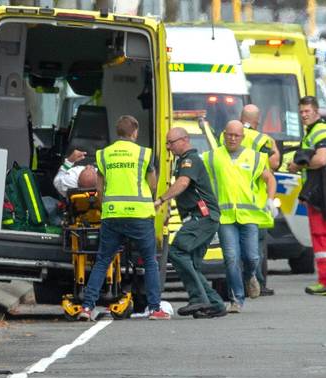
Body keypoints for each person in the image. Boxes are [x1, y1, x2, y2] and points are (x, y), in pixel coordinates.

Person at [78, 115, 170, 321]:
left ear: (117, 131)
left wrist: (106, 208)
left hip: (112, 214)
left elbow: (99, 188)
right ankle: (155, 309)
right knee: (149, 261)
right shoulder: (144, 154)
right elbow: (153, 184)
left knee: (102, 261)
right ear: (134, 132)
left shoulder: (104, 155)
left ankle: (86, 307)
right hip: (139, 214)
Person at [203, 120, 277, 313]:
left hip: (249, 215)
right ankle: (237, 299)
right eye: (229, 135)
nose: (232, 138)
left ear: (243, 137)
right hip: (225, 217)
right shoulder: (212, 157)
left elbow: (270, 179)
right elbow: (198, 178)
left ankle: (250, 276)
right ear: (223, 135)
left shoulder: (254, 158)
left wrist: (270, 200)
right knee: (231, 258)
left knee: (253, 257)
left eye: (236, 135)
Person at [154, 127, 226, 319]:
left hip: (202, 218)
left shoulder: (189, 160)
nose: (168, 147)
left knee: (177, 251)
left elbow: (183, 184)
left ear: (184, 140)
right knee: (192, 264)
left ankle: (197, 299)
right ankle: (215, 305)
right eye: (167, 143)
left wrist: (161, 200)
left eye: (171, 142)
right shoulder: (182, 161)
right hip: (202, 218)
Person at [287, 96, 326, 296]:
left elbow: (321, 159)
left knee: (322, 236)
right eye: (301, 111)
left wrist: (297, 165)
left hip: (323, 188)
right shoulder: (313, 131)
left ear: (316, 112)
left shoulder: (320, 131)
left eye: (307, 111)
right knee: (321, 235)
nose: (304, 115)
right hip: (320, 188)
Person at [240, 104, 279, 296]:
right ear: (257, 121)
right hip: (256, 198)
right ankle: (257, 283)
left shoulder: (227, 136)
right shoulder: (263, 140)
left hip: (233, 198)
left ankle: (242, 282)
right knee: (256, 245)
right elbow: (274, 163)